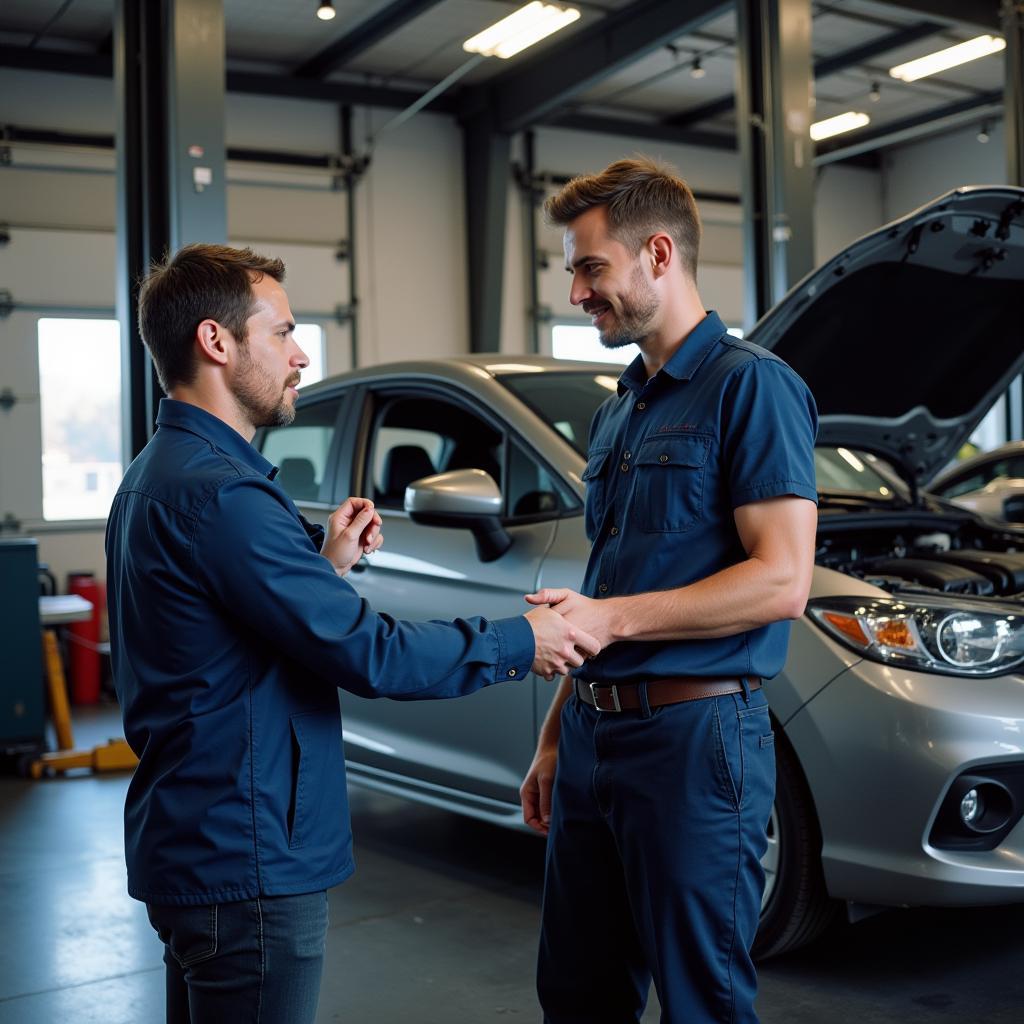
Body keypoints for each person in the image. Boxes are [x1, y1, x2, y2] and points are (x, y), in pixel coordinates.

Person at [105, 243, 600, 1024]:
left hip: (202, 841)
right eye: (284, 333)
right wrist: (524, 639)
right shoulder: (225, 495)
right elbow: (372, 652)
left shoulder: (158, 476)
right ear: (215, 342)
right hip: (251, 859)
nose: (301, 356)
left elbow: (224, 644)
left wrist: (325, 567)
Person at [519, 158, 818, 1023]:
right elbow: (608, 583)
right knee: (577, 993)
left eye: (589, 266)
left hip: (694, 742)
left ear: (658, 254)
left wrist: (609, 620)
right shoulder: (622, 408)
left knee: (702, 1001)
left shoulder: (751, 386)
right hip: (590, 736)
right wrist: (554, 737)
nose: (577, 291)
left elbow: (781, 579)